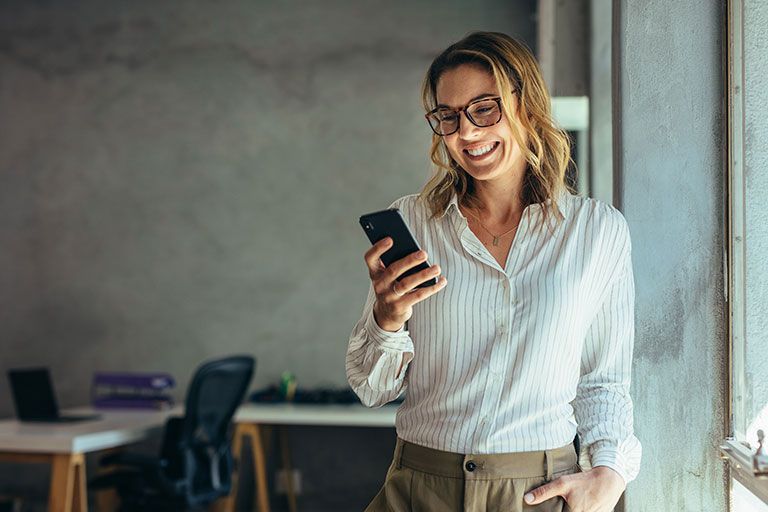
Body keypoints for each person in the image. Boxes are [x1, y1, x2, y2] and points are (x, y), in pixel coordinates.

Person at [346, 31, 640, 512]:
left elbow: (603, 381)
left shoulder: (597, 231)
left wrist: (608, 474)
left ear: (527, 105)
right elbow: (372, 388)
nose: (466, 133)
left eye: (485, 108)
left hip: (536, 492)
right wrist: (387, 318)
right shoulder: (415, 222)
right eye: (448, 116)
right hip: (419, 486)